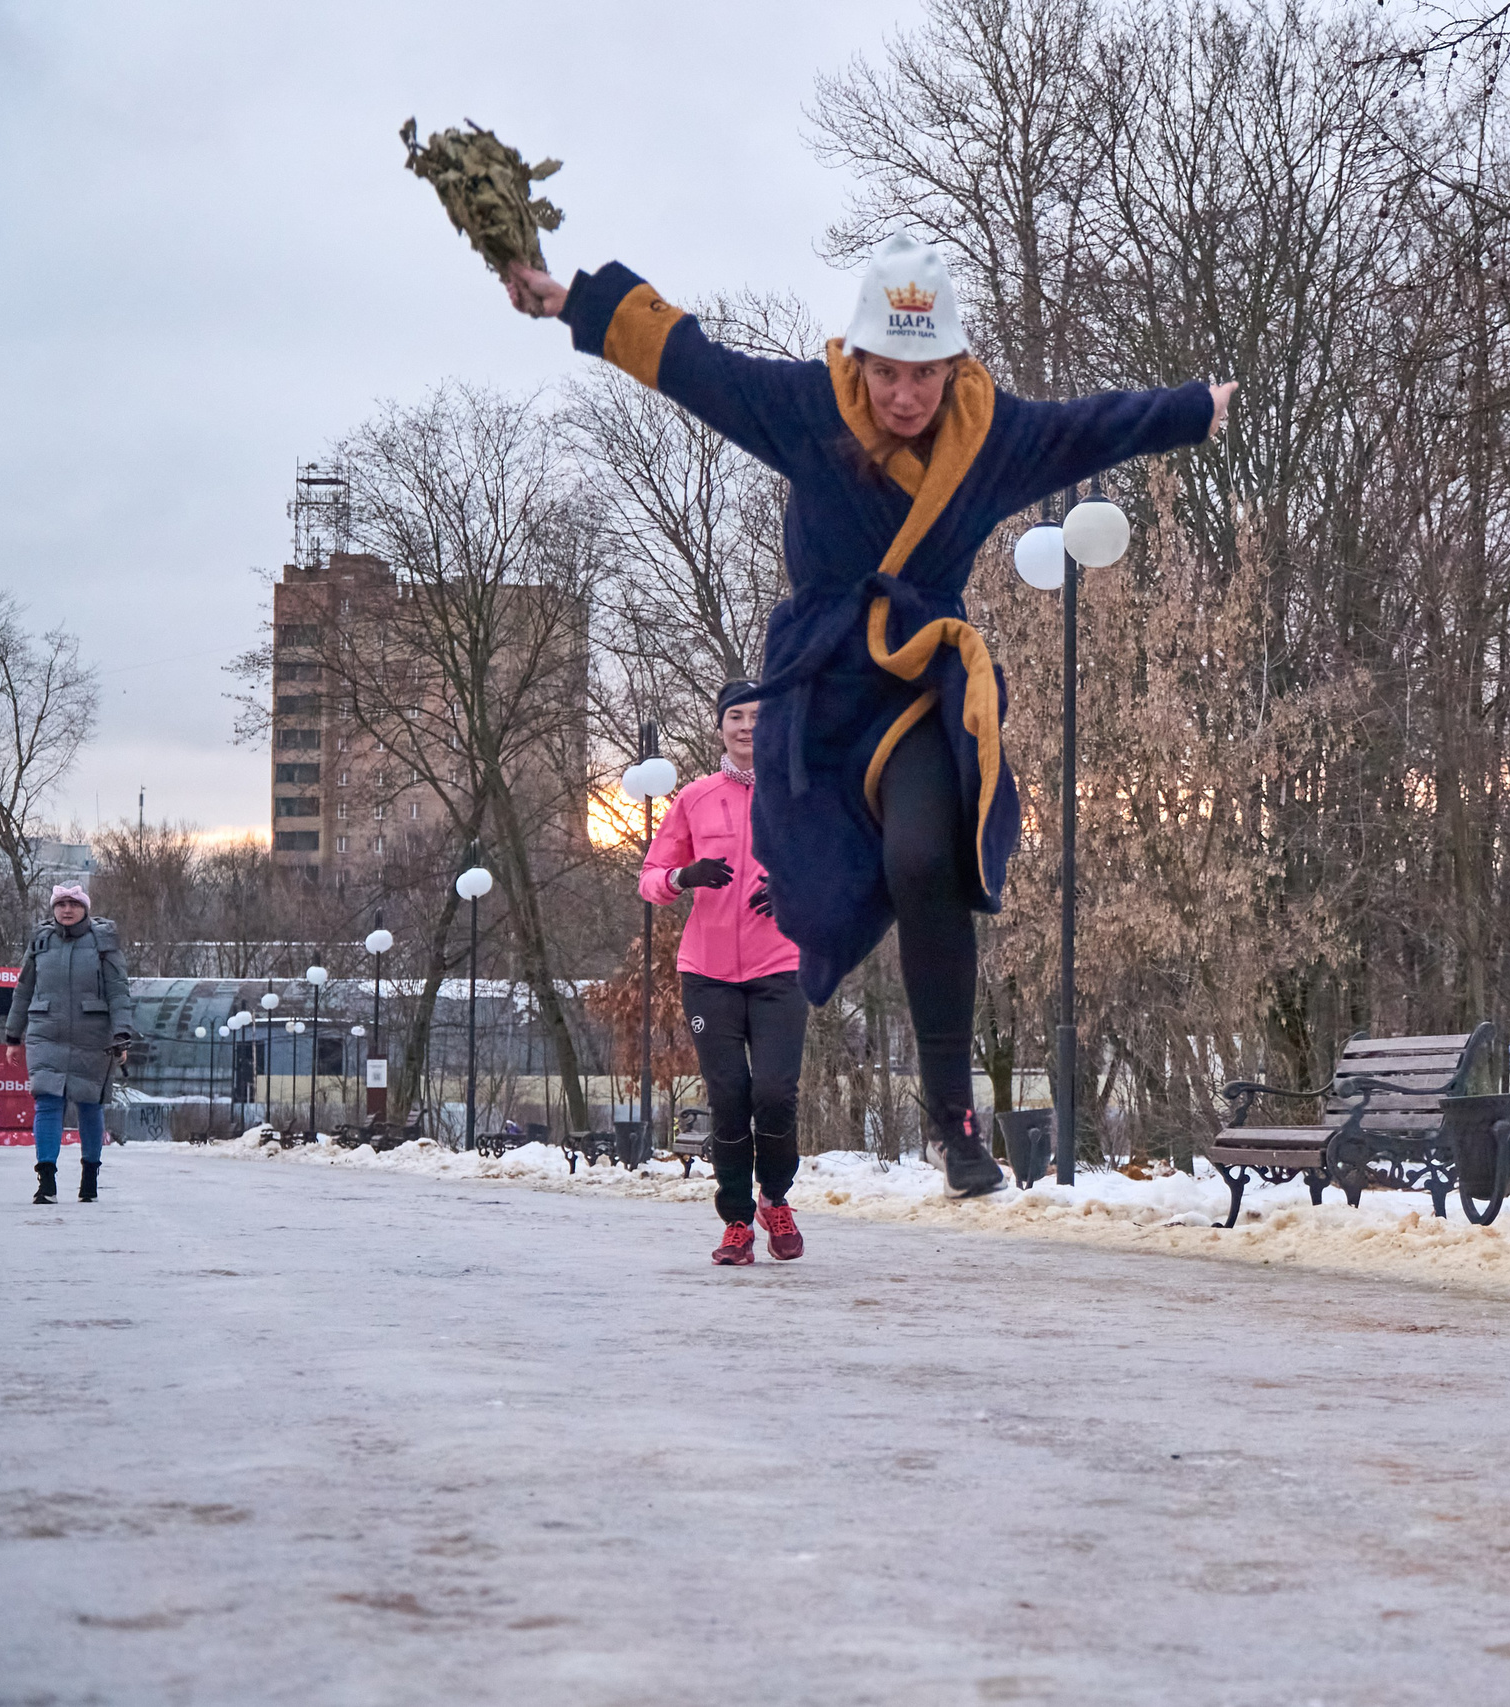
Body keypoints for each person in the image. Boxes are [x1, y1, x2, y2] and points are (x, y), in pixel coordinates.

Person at [507, 234, 1233, 1201]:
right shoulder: (810, 411)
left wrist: (1193, 408)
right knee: (829, 874)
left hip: (920, 684)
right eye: (887, 374)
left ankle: (951, 1114)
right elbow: (695, 365)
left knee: (929, 859)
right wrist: (572, 303)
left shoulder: (987, 434)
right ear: (858, 361)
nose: (904, 397)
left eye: (924, 376)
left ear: (953, 366)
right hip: (824, 694)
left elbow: (1085, 428)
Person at [641, 682, 809, 1265]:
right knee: (731, 1096)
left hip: (781, 967)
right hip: (707, 973)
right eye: (735, 716)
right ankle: (736, 1221)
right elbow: (651, 878)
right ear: (720, 727)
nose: (746, 727)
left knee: (775, 1092)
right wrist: (684, 877)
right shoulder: (694, 797)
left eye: (758, 717)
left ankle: (776, 1199)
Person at [4, 884, 138, 1206]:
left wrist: (122, 1034)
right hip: (45, 1031)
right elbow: (24, 990)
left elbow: (118, 992)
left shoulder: (103, 943)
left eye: (73, 904)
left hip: (93, 1035)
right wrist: (13, 1034)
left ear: (84, 908)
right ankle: (46, 1178)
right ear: (53, 908)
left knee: (89, 1104)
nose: (66, 909)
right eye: (61, 904)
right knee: (48, 1102)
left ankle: (90, 1174)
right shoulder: (40, 942)